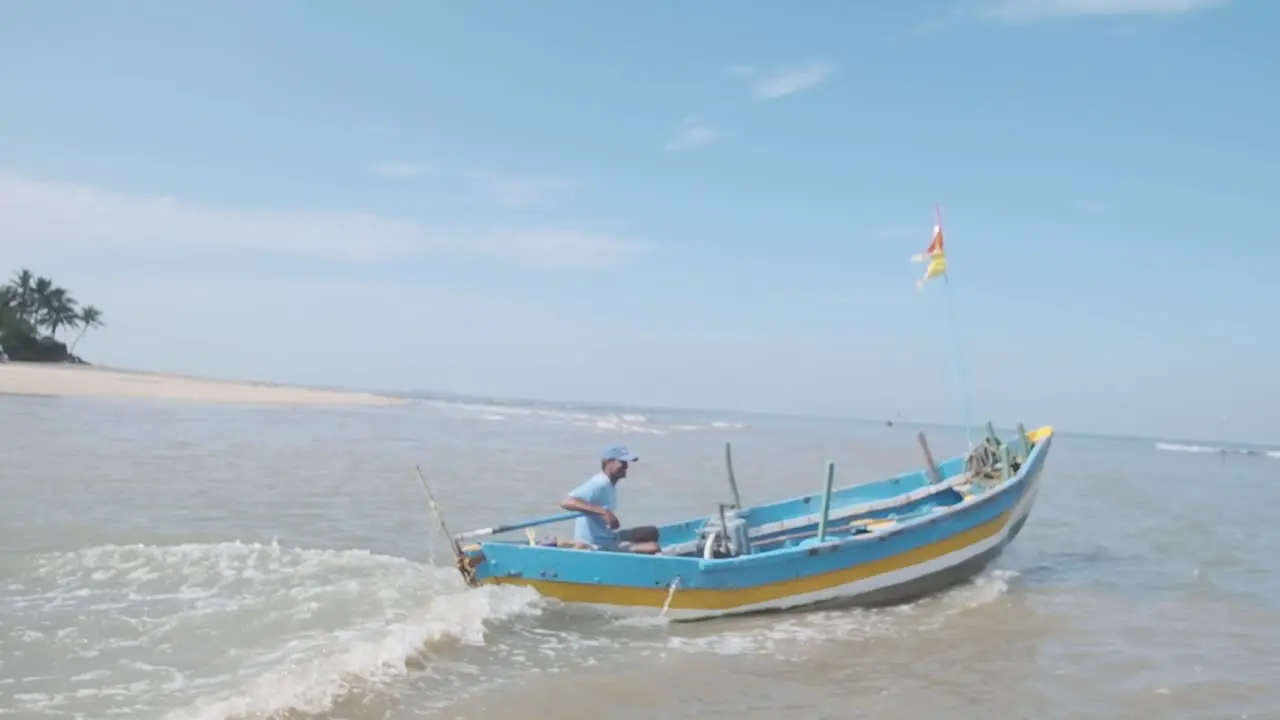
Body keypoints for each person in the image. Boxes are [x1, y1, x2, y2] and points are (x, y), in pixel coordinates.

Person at [560, 444, 661, 554]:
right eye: (622, 463)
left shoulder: (609, 485)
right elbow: (567, 502)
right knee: (653, 547)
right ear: (609, 462)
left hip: (608, 536)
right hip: (596, 545)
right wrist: (603, 512)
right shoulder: (599, 483)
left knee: (652, 532)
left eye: (626, 463)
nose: (626, 466)